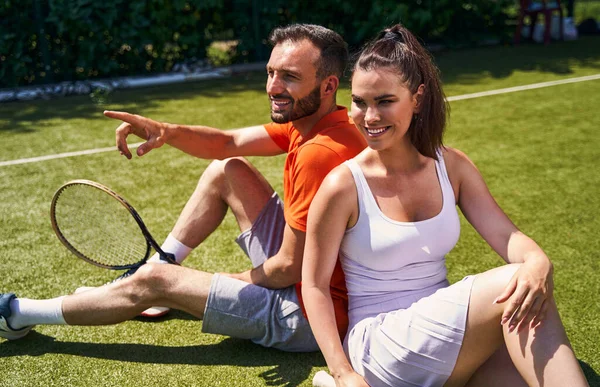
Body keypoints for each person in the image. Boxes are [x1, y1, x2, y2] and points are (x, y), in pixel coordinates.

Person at [0, 24, 366, 352]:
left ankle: (16, 315)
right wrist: (164, 131)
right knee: (226, 169)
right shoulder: (322, 121)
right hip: (312, 277)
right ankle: (161, 267)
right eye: (270, 72)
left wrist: (200, 283)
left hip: (309, 316)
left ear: (328, 85)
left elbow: (288, 269)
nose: (272, 86)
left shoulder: (319, 153)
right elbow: (228, 143)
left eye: (289, 76)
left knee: (156, 280)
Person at [301, 24, 594, 387]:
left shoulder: (450, 166)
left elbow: (507, 237)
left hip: (444, 342)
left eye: (385, 101)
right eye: (359, 101)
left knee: (547, 375)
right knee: (515, 284)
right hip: (380, 347)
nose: (369, 116)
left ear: (418, 98)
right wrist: (342, 374)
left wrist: (538, 260)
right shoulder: (342, 185)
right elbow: (314, 285)